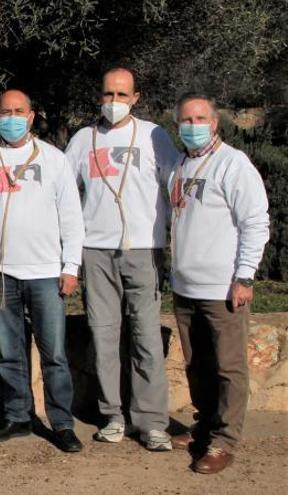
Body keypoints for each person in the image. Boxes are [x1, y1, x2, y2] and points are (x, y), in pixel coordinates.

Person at [0, 89, 85, 452]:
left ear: (31, 116)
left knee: (54, 354)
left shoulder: (54, 159)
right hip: (0, 275)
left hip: (47, 272)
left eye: (19, 111)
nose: (12, 117)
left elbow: (71, 216)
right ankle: (17, 416)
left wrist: (71, 265)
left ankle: (61, 422)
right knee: (9, 352)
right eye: (5, 112)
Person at [64, 67, 181, 450]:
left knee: (146, 336)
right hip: (95, 251)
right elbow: (63, 189)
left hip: (143, 250)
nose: (113, 102)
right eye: (107, 94)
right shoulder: (83, 139)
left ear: (136, 97)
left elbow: (176, 179)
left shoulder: (153, 135)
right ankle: (112, 414)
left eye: (121, 95)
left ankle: (151, 422)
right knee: (104, 336)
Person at [168, 92, 269, 474]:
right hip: (185, 288)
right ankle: (204, 426)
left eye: (199, 120)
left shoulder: (233, 164)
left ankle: (224, 441)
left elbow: (255, 223)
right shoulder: (181, 164)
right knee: (197, 365)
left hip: (223, 288)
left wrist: (244, 276)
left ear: (214, 123)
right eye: (185, 120)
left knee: (229, 368)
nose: (191, 127)